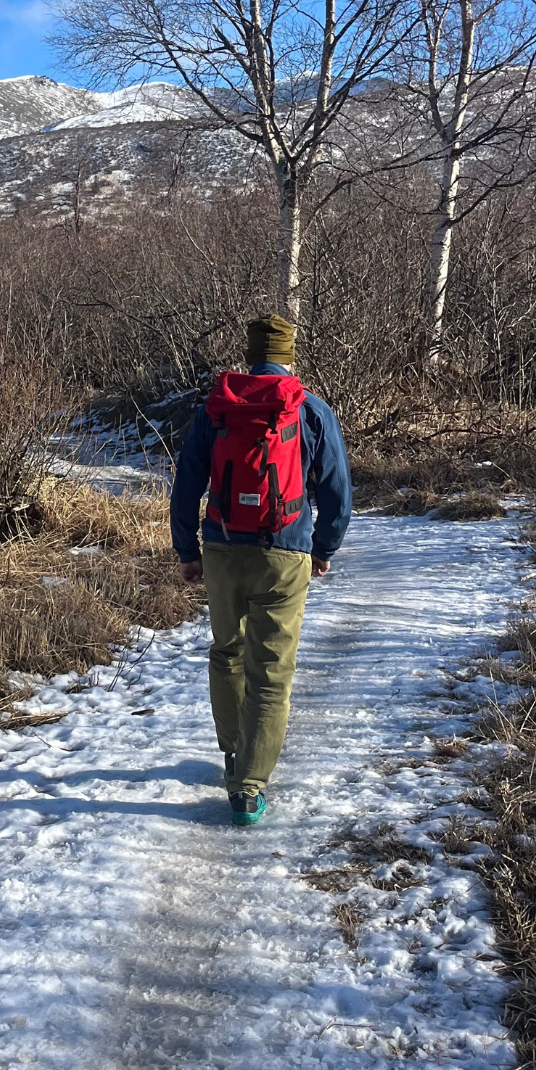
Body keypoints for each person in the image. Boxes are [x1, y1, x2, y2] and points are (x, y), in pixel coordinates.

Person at [169, 314, 352, 826]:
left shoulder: (219, 407)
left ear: (250, 354)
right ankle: (248, 787)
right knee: (270, 671)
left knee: (227, 652)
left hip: (223, 549)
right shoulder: (310, 408)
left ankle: (234, 752)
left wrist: (187, 549)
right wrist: (323, 548)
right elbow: (336, 490)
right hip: (285, 551)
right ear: (290, 354)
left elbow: (186, 482)